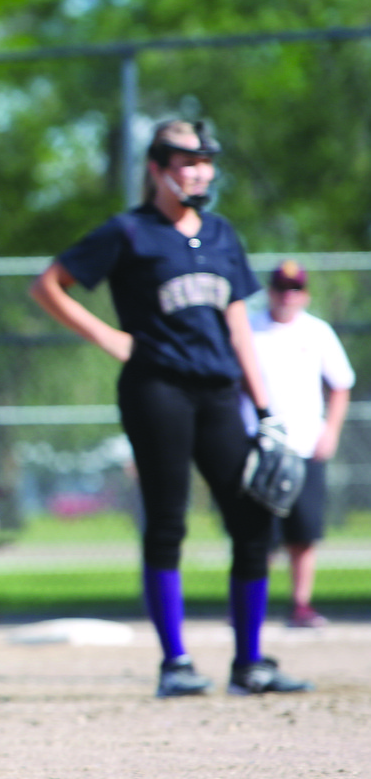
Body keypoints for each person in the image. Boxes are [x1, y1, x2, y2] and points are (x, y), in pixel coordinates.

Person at [29, 119, 312, 697]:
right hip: (156, 388)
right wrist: (110, 339)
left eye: (204, 161)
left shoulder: (220, 234)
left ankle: (250, 662)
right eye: (184, 161)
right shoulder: (129, 232)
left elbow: (236, 321)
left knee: (253, 518)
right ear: (157, 169)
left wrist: (263, 406)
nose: (197, 171)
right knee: (167, 520)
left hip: (217, 393)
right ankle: (174, 663)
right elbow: (49, 284)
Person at [241, 260, 354, 628]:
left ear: (303, 294)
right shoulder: (249, 329)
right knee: (257, 532)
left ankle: (300, 604)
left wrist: (331, 431)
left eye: (294, 289)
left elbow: (340, 384)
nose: (287, 297)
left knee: (303, 532)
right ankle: (248, 603)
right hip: (260, 444)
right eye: (280, 288)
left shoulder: (317, 331)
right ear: (270, 291)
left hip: (305, 443)